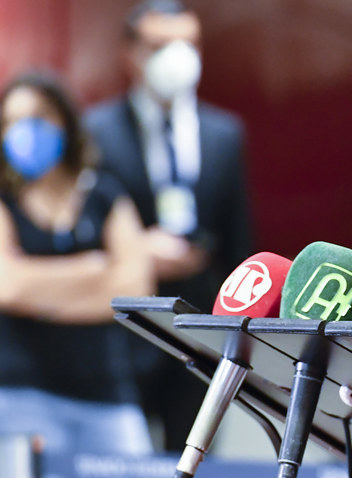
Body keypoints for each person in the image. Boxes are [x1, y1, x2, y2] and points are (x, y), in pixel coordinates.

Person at [85, 0, 253, 450]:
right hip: (124, 329)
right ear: (130, 53)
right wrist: (136, 249)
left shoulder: (223, 133)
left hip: (199, 334)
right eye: (161, 45)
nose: (177, 57)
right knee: (121, 476)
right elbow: (82, 229)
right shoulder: (96, 131)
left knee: (193, 471)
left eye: (187, 44)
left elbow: (239, 238)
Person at [0, 72, 154, 458]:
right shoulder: (5, 200)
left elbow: (136, 290)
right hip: (23, 392)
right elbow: (8, 286)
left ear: (64, 121)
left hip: (106, 392)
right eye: (11, 121)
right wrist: (93, 270)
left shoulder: (105, 194)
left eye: (38, 116)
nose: (25, 130)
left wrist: (39, 297)